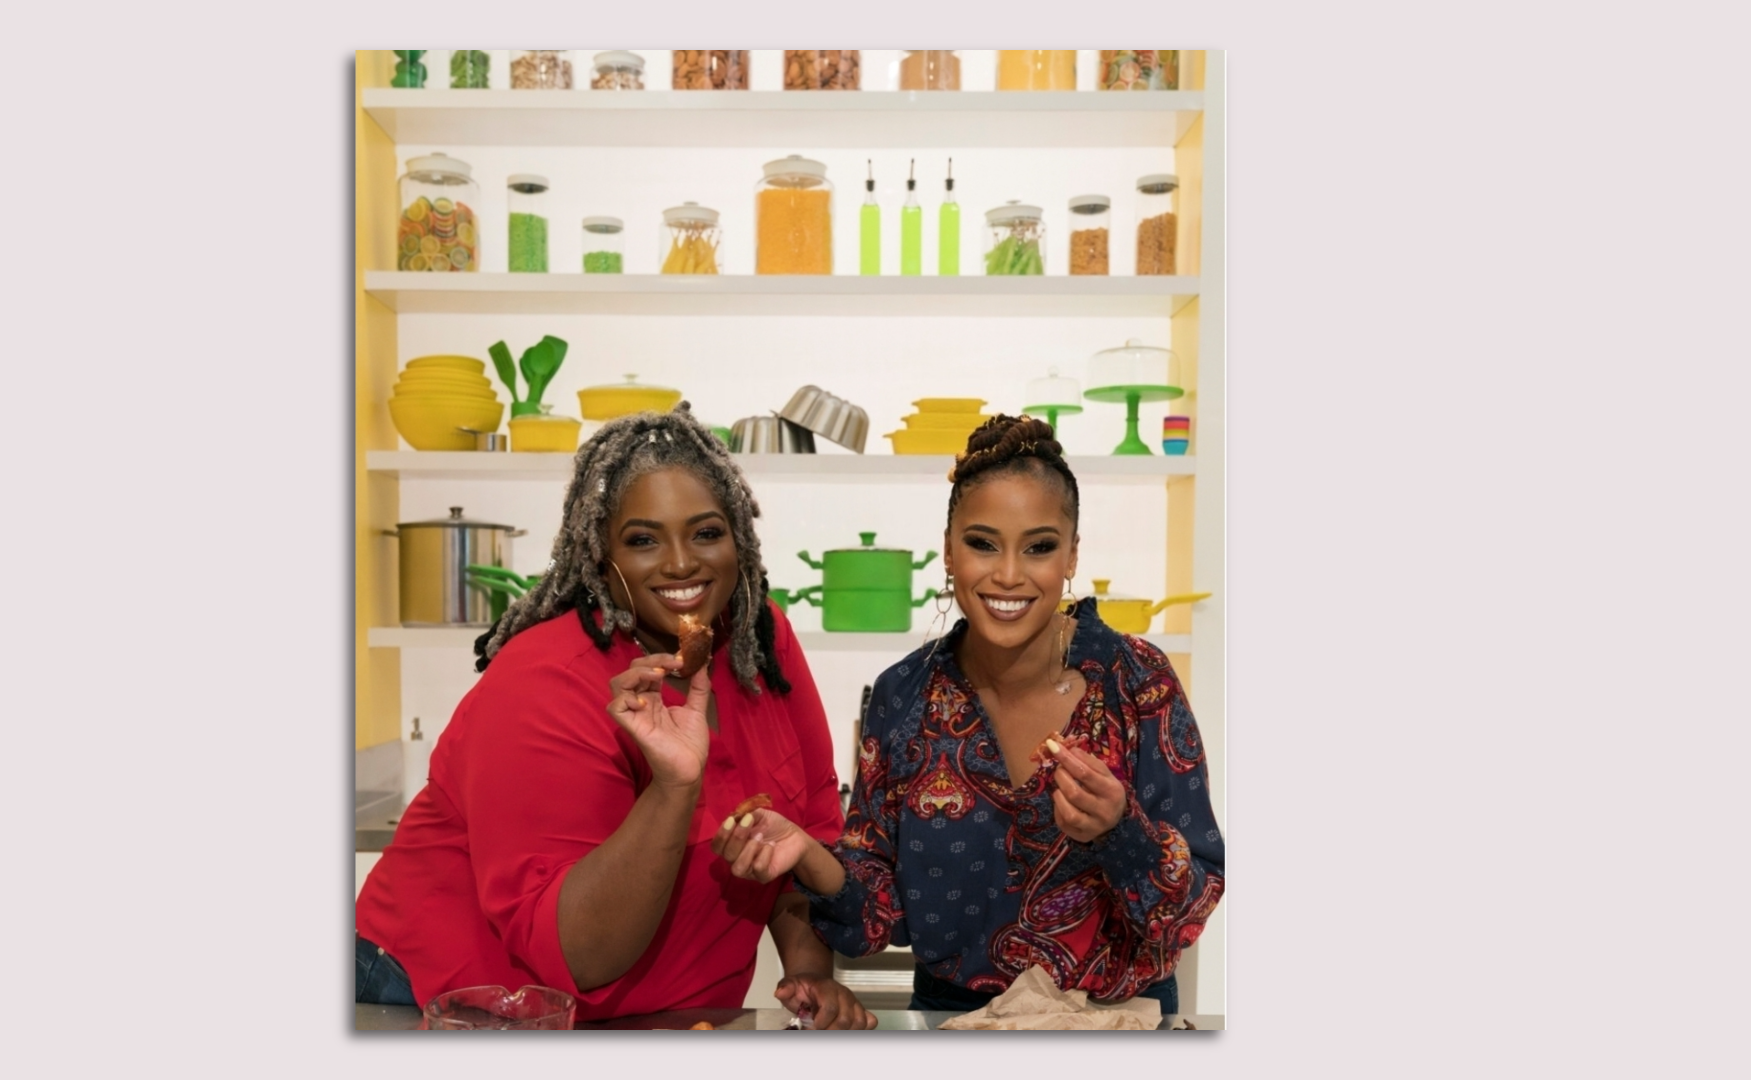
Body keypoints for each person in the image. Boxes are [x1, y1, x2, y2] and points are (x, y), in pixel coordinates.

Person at [354, 406, 874, 1028]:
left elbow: (807, 824)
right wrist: (674, 788)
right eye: (643, 540)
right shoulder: (543, 680)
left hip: (662, 1016)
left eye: (707, 532)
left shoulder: (759, 643)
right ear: (602, 560)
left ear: (740, 537)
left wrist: (808, 971)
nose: (682, 563)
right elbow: (580, 955)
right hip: (446, 1001)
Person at [714, 414, 1225, 1024]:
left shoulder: (1137, 682)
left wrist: (1121, 829)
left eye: (1039, 546)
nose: (1009, 574)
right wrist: (806, 854)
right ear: (949, 549)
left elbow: (1191, 906)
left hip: (1115, 1023)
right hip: (954, 1024)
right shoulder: (904, 696)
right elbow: (877, 908)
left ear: (1072, 555)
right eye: (983, 543)